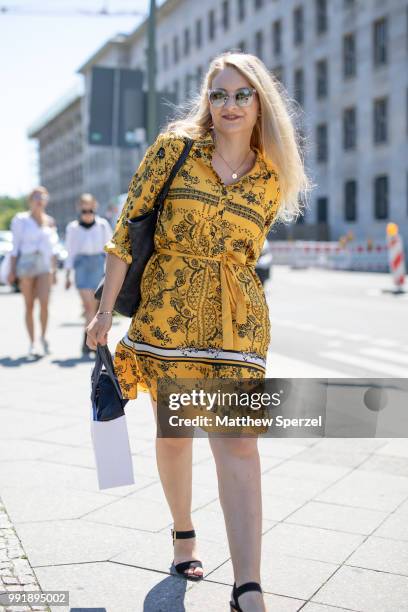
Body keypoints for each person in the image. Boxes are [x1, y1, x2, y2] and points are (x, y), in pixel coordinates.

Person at [86, 51, 311, 611]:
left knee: (238, 443)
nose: (229, 105)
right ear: (206, 101)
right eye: (219, 94)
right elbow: (125, 233)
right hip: (168, 314)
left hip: (238, 325)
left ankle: (248, 587)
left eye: (242, 95)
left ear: (261, 104)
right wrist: (103, 312)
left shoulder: (273, 175)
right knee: (176, 435)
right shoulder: (175, 150)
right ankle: (184, 530)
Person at [7, 186, 59, 358]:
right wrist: (11, 270)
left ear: (46, 200)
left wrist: (55, 271)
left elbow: (53, 248)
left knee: (44, 303)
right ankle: (32, 343)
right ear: (30, 200)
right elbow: (15, 248)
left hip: (44, 265)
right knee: (29, 305)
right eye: (36, 196)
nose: (39, 199)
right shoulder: (20, 220)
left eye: (42, 196)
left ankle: (43, 337)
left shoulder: (50, 221)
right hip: (26, 264)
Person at [64, 194, 112, 356]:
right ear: (79, 208)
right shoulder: (73, 227)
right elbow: (70, 251)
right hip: (82, 268)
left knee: (98, 308)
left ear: (95, 207)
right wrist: (67, 275)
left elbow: (109, 249)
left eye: (90, 208)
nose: (87, 212)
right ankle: (92, 342)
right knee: (88, 306)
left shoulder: (102, 225)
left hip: (99, 267)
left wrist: (110, 272)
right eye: (84, 209)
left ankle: (89, 340)